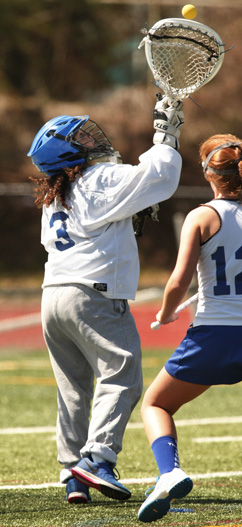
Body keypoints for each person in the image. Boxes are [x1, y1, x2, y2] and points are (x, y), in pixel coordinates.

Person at [27, 95, 184, 505]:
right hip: (91, 294)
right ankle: (98, 459)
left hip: (53, 295)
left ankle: (72, 473)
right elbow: (159, 177)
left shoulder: (55, 198)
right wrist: (166, 134)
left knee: (72, 389)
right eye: (81, 138)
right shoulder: (98, 179)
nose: (93, 138)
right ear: (69, 156)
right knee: (122, 374)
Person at [138, 133, 242, 523]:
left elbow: (179, 281)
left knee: (156, 403)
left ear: (208, 174)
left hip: (214, 334)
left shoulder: (202, 216)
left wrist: (166, 313)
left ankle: (170, 473)